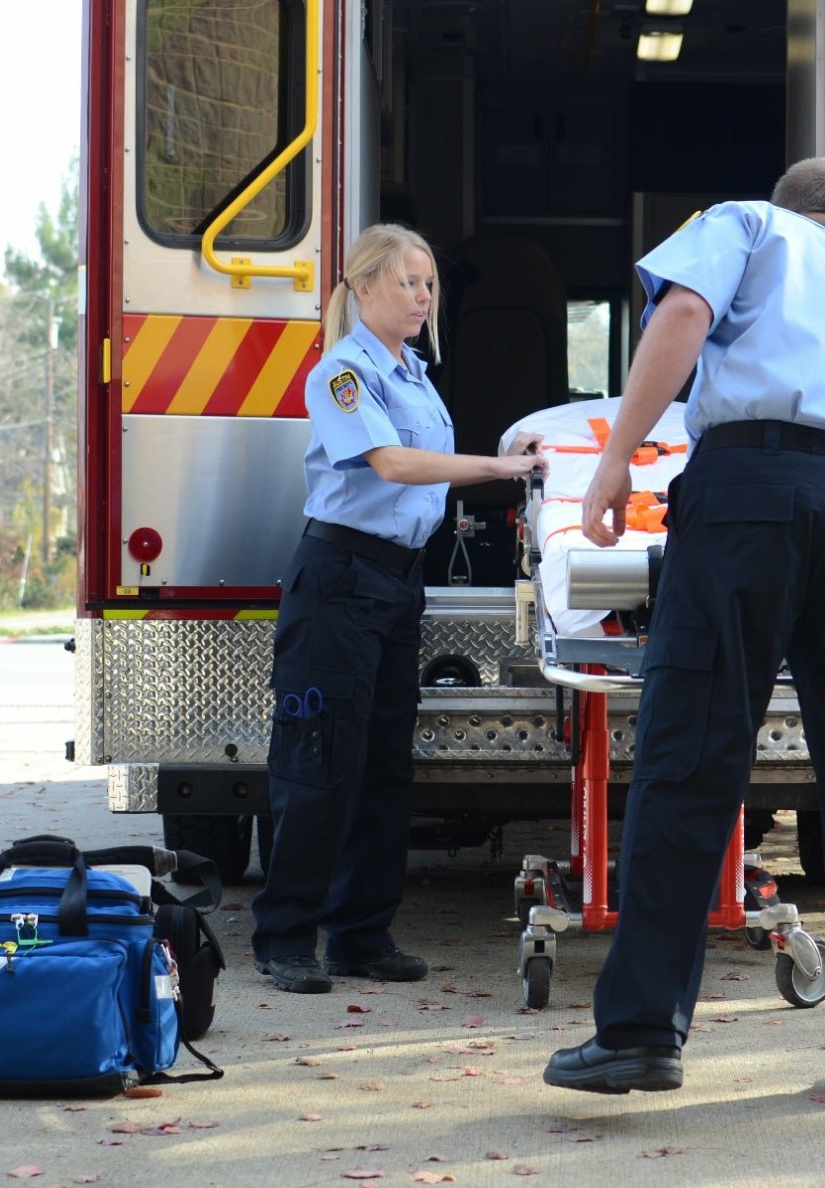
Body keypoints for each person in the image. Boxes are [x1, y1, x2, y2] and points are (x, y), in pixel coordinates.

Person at [543, 157, 825, 1093]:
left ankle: (639, 1033)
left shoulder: (748, 224)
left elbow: (681, 316)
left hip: (751, 492)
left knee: (693, 756)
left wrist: (617, 457)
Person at [251, 223, 548, 993]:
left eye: (428, 285)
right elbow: (391, 464)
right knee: (321, 765)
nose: (421, 298)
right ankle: (284, 938)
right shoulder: (345, 372)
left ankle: (360, 938)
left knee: (385, 765)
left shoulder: (412, 372)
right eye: (407, 283)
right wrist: (498, 466)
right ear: (364, 288)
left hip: (394, 582)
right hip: (341, 578)